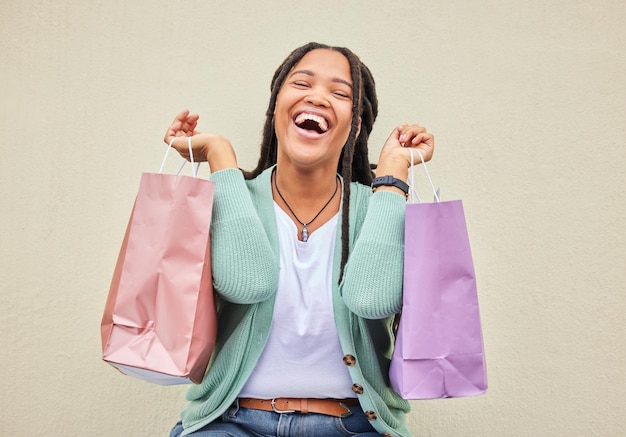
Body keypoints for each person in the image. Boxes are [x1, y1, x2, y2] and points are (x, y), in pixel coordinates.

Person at [164, 42, 434, 437]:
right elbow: (249, 283)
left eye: (340, 93)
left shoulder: (380, 205)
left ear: (356, 126)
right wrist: (221, 159)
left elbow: (370, 299)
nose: (318, 97)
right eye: (302, 83)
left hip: (355, 426)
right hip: (230, 423)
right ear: (277, 108)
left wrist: (393, 177)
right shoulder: (232, 197)